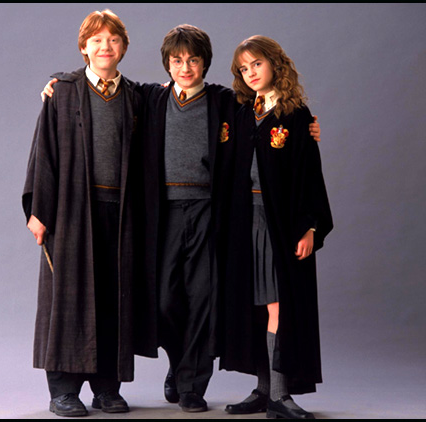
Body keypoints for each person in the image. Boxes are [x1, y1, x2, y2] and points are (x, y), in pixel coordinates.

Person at [41, 25, 322, 414]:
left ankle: (192, 386)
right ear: (167, 64)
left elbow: (270, 116)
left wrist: (306, 129)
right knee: (163, 302)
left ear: (205, 63)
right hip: (164, 215)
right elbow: (105, 80)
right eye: (177, 60)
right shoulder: (151, 98)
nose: (185, 68)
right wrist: (58, 81)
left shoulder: (225, 102)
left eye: (193, 60)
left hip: (209, 212)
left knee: (203, 301)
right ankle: (178, 363)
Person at [22, 10, 143, 417]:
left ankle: (107, 388)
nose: (105, 46)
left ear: (123, 48)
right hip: (72, 211)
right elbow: (44, 153)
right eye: (97, 40)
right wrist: (38, 212)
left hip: (119, 213)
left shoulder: (135, 97)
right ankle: (63, 391)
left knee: (112, 299)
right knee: (68, 299)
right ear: (84, 47)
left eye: (113, 40)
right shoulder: (63, 92)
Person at [220, 35, 333, 419]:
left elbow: (309, 176)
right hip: (242, 223)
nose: (251, 73)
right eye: (243, 68)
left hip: (279, 225)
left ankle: (280, 397)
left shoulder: (295, 115)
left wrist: (310, 227)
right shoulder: (240, 112)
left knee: (278, 304)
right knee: (253, 307)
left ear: (275, 64)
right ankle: (263, 390)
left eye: (257, 64)